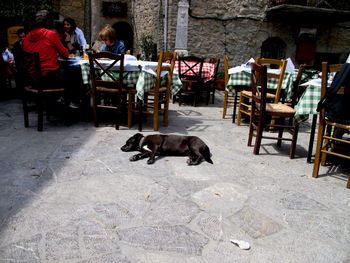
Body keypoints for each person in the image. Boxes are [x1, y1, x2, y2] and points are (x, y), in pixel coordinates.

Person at [22, 10, 81, 109]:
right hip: (49, 78)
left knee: (65, 71)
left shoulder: (26, 38)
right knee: (76, 69)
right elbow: (66, 54)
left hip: (33, 78)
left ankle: (59, 98)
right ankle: (72, 100)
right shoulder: (51, 34)